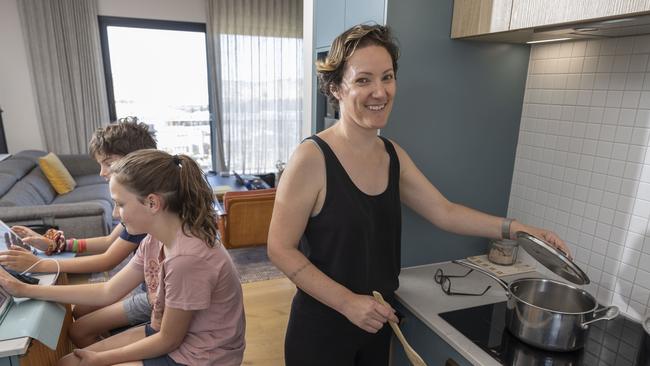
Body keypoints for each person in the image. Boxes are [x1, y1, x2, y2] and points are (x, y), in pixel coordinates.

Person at [267, 24, 571, 366]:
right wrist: (347, 302)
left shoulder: (392, 155)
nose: (380, 92)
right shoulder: (312, 158)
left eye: (387, 77)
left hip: (377, 323)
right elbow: (280, 248)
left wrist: (518, 228)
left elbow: (445, 212)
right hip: (322, 330)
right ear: (337, 87)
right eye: (364, 80)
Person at [0, 150, 246, 366]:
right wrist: (25, 289)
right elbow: (108, 291)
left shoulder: (187, 259)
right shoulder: (154, 239)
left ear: (152, 203)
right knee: (69, 363)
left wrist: (101, 359)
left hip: (201, 356)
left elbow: (169, 340)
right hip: (171, 336)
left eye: (120, 204)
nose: (116, 214)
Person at [0, 120, 157, 347]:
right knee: (82, 312)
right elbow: (107, 242)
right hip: (146, 288)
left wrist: (38, 264)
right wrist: (56, 246)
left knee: (81, 328)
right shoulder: (137, 206)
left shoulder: (142, 212)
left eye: (108, 163)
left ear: (135, 159)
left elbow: (107, 260)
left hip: (153, 296)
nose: (102, 172)